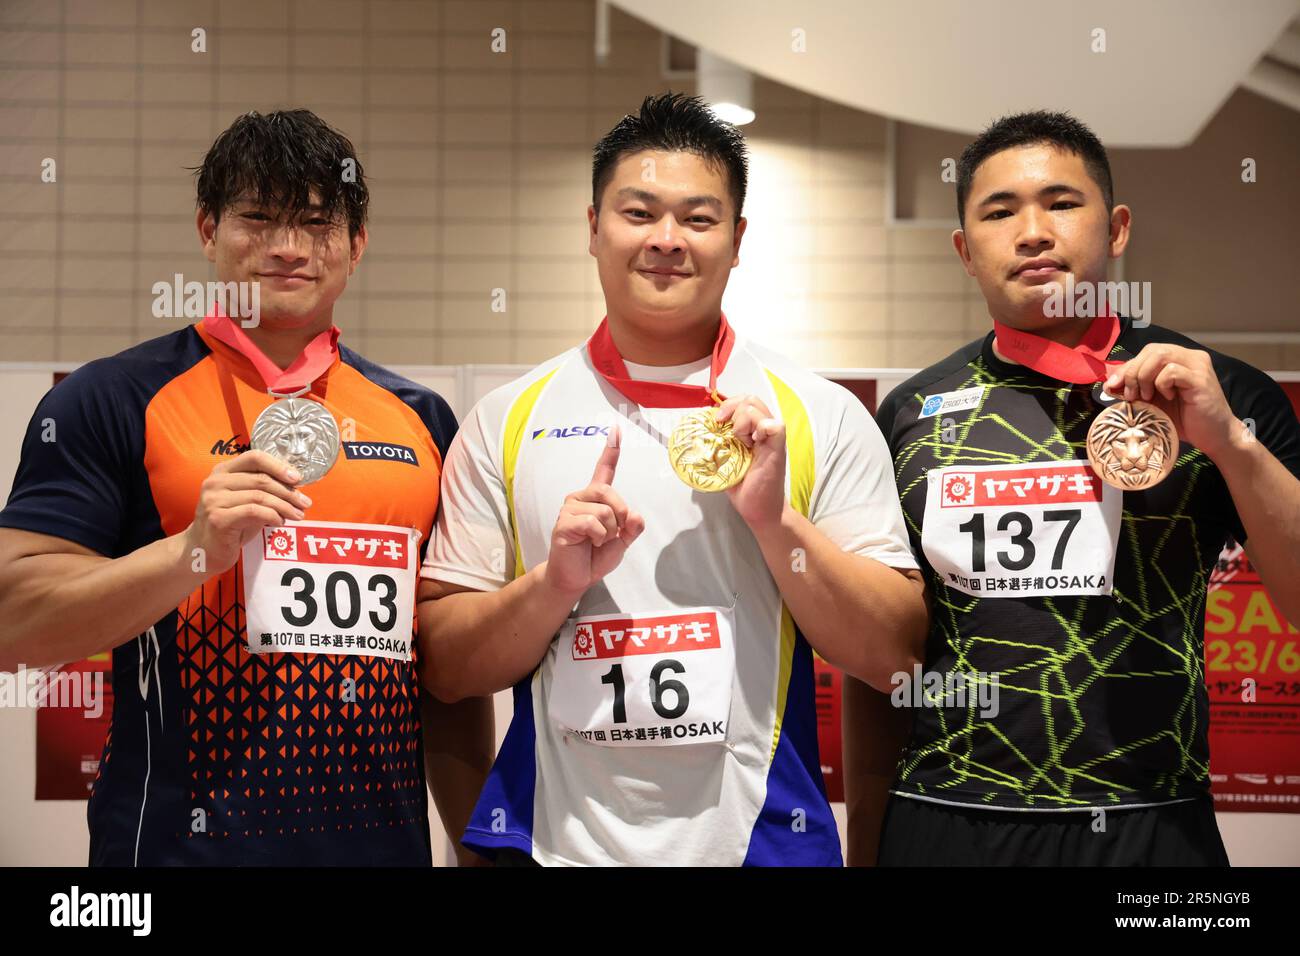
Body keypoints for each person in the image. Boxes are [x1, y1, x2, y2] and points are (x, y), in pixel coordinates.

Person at [417, 92, 927, 866]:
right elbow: (447, 669)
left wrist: (775, 525)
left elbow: (896, 654)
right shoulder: (506, 418)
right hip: (554, 848)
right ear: (592, 227)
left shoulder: (818, 415)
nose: (666, 240)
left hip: (765, 845)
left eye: (697, 217)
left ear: (737, 237)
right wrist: (554, 584)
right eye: (638, 212)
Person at [0, 109, 494, 866]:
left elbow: (443, 675)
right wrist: (190, 554)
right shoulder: (109, 399)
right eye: (258, 218)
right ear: (208, 229)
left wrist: (475, 849)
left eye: (319, 223)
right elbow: (14, 627)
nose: (288, 248)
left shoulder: (424, 419)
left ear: (357, 245)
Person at [847, 110, 1300, 866]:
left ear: (1117, 228)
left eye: (1061, 203)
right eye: (999, 212)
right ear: (965, 250)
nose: (1032, 231)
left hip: (1152, 822)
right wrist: (865, 840)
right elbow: (883, 658)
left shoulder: (1223, 393)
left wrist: (1230, 443)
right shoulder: (910, 413)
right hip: (946, 815)